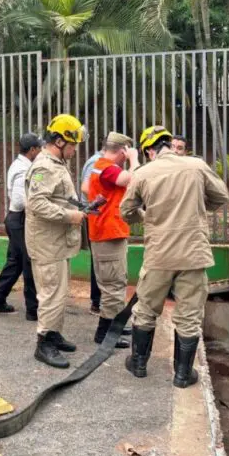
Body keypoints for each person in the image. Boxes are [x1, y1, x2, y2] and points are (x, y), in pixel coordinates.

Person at [120, 126, 229, 388]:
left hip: (159, 254)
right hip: (193, 253)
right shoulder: (196, 166)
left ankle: (139, 364)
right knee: (189, 315)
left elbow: (126, 211)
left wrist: (146, 218)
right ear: (169, 144)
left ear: (148, 150)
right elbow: (221, 196)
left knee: (146, 309)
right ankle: (182, 375)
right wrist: (198, 209)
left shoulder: (143, 173)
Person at [25, 114, 87, 368]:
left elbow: (58, 196)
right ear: (60, 141)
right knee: (51, 293)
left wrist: (78, 206)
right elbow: (37, 203)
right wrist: (71, 215)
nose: (75, 150)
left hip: (58, 242)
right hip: (47, 244)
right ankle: (44, 344)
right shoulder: (44, 167)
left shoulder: (57, 163)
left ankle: (53, 333)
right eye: (73, 145)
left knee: (59, 292)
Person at [85, 132, 139, 349]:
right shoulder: (106, 168)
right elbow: (131, 179)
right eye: (126, 154)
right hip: (107, 234)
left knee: (116, 281)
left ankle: (114, 324)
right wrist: (134, 159)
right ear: (122, 151)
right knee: (113, 286)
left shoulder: (102, 166)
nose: (126, 159)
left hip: (110, 233)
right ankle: (104, 333)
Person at [0, 133, 43, 320]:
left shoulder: (24, 165)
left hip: (16, 219)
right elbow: (19, 200)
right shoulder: (22, 169)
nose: (41, 150)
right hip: (20, 219)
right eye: (39, 148)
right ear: (33, 150)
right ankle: (33, 309)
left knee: (15, 261)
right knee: (28, 261)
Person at [80, 144, 105, 314]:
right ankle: (97, 302)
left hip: (98, 214)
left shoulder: (100, 161)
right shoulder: (96, 162)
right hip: (95, 215)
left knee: (100, 258)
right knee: (99, 258)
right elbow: (85, 187)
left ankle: (100, 302)